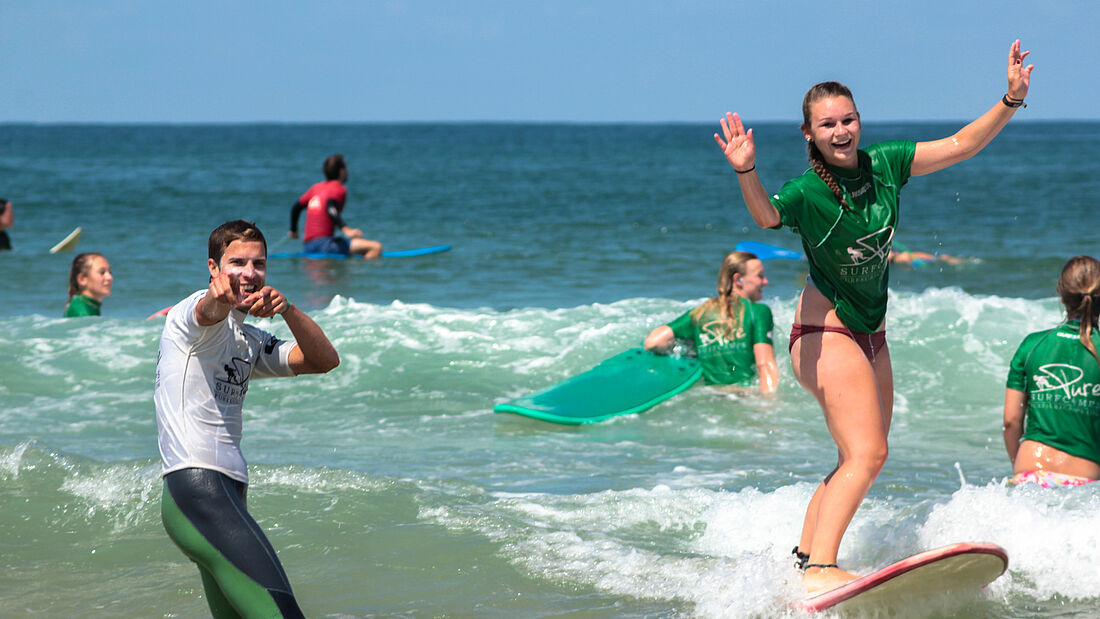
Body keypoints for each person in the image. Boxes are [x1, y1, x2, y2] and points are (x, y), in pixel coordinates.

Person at [714, 40, 1033, 594]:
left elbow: (959, 146)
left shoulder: (885, 165)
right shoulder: (808, 192)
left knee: (856, 457)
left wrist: (1009, 99)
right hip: (823, 333)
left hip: (871, 337)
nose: (842, 131)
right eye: (828, 124)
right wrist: (747, 171)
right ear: (809, 134)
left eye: (849, 119)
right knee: (869, 452)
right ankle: (820, 571)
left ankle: (804, 556)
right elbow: (767, 218)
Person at [155, 220, 340, 617]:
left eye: (258, 264)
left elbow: (325, 361)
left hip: (227, 494)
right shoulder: (189, 316)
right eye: (236, 262)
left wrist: (288, 309)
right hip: (198, 488)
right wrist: (216, 298)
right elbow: (207, 311)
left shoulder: (251, 340)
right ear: (213, 267)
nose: (249, 273)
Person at [1003, 255, 1100, 488]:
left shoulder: (1032, 345)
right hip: (1085, 480)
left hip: (1030, 473)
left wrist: (1018, 462)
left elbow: (1011, 422)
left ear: (1062, 294)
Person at [644, 250, 778, 393]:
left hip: (712, 395)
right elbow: (764, 364)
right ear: (738, 279)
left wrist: (689, 350)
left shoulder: (699, 314)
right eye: (760, 276)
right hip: (745, 395)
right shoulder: (758, 312)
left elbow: (653, 342)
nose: (766, 282)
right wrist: (769, 404)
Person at [289, 153, 382, 259]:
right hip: (325, 245)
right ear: (342, 172)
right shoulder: (338, 188)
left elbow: (296, 208)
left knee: (347, 248)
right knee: (376, 247)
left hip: (308, 247)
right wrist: (346, 229)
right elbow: (330, 208)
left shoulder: (315, 188)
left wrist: (293, 230)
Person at [64, 252, 113, 317]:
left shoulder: (88, 304)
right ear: (82, 279)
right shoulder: (80, 310)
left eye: (110, 272)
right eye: (102, 272)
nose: (109, 277)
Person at [887, 241, 964, 266]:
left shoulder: (903, 255)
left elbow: (917, 255)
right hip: (916, 261)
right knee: (939, 259)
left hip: (916, 260)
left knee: (939, 259)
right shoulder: (901, 257)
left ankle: (956, 261)